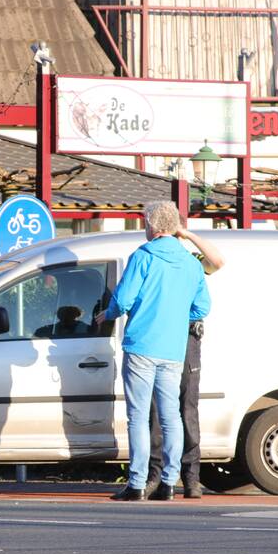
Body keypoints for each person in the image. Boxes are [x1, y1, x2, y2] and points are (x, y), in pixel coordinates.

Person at [95, 202, 209, 501]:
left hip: (142, 346)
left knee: (138, 416)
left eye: (145, 223)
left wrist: (108, 314)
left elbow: (123, 300)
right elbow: (202, 307)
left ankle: (137, 483)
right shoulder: (191, 263)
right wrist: (176, 316)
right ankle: (169, 482)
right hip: (173, 349)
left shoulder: (143, 257)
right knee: (171, 416)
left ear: (152, 225)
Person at [146, 228, 224, 499]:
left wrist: (189, 235)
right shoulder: (153, 257)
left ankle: (191, 478)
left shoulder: (191, 260)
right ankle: (156, 475)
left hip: (187, 337)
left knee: (187, 407)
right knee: (157, 410)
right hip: (163, 335)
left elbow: (217, 262)